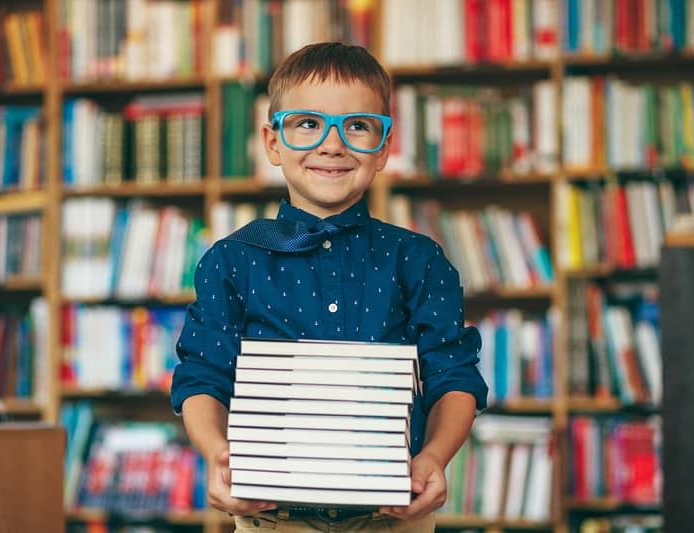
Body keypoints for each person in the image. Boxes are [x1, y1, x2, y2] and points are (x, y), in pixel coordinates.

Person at [171, 42, 488, 532]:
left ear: (383, 148)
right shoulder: (231, 261)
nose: (332, 145)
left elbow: (454, 374)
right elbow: (202, 376)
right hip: (272, 519)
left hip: (394, 516)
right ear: (273, 142)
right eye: (307, 123)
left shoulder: (420, 260)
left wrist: (435, 458)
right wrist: (217, 454)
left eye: (358, 126)